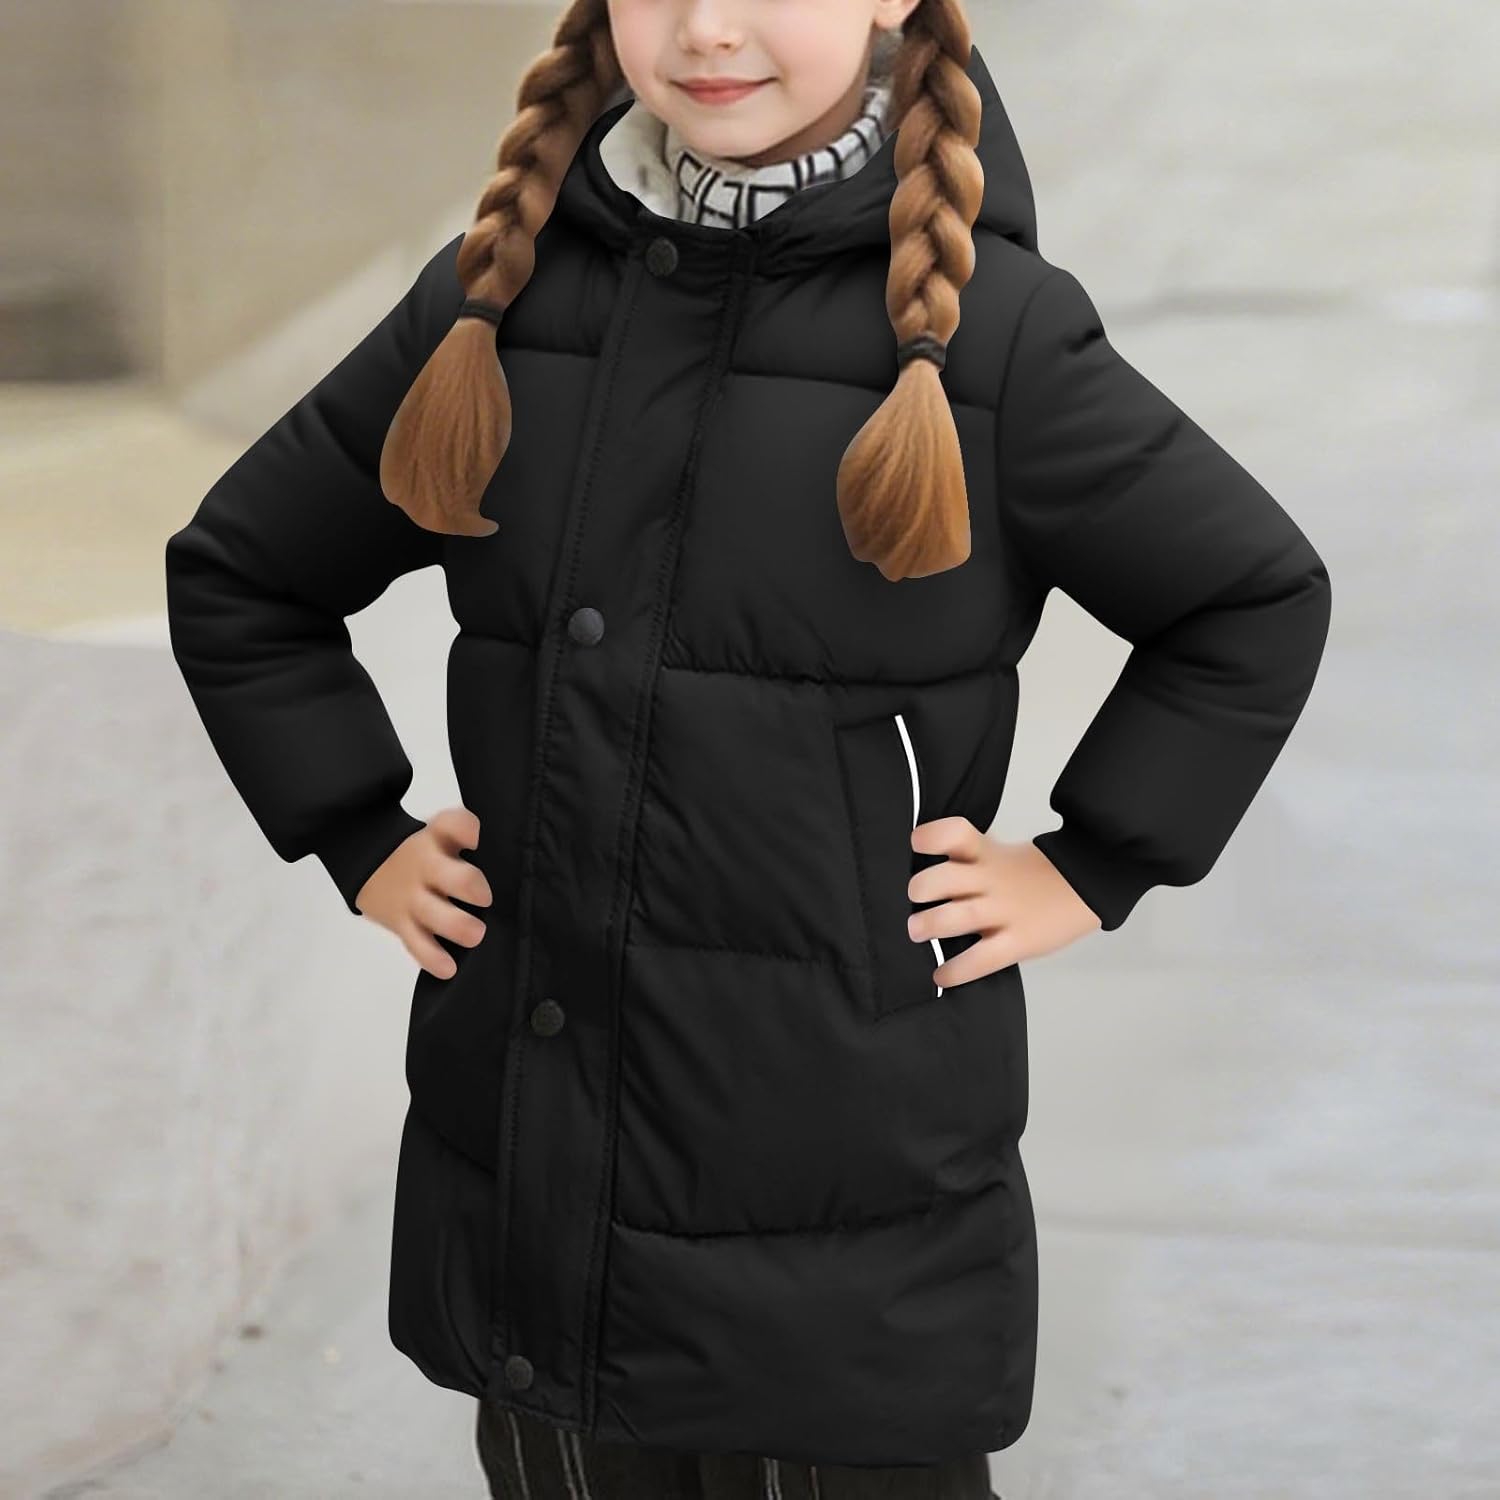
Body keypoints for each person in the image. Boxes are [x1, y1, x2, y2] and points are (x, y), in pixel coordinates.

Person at [163, 0, 1332, 1494]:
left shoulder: (999, 340)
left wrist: (1091, 864)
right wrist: (358, 832)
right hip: (544, 1196)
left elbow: (1247, 598)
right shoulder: (496, 300)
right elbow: (246, 574)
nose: (708, 28)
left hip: (847, 1222)